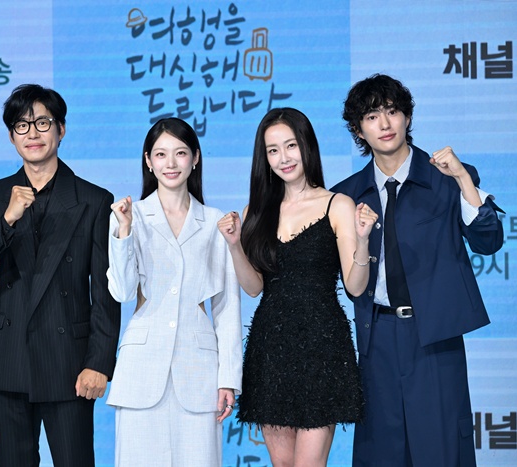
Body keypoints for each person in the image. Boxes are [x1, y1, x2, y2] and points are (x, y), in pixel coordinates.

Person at [331, 73, 504, 466]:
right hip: (376, 338)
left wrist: (463, 179)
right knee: (381, 452)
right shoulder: (346, 195)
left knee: (441, 450)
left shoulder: (447, 178)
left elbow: (489, 240)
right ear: (358, 130)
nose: (385, 123)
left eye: (393, 111)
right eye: (372, 116)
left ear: (407, 117)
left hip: (435, 339)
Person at [0, 84, 120, 467]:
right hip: (8, 356)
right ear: (11, 136)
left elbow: (106, 291)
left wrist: (99, 362)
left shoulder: (94, 200)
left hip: (70, 362)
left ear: (61, 129)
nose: (32, 133)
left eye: (43, 123)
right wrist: (7, 220)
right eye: (22, 125)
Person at [217, 107, 377, 466]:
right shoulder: (257, 210)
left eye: (290, 146)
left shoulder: (337, 204)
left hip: (322, 346)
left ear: (307, 146)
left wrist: (363, 240)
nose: (284, 158)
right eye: (273, 150)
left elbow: (355, 286)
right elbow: (254, 287)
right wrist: (234, 245)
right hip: (270, 348)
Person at [106, 118, 243, 466]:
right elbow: (122, 292)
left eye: (180, 153)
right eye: (161, 154)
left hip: (198, 371)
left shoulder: (214, 221)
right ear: (148, 161)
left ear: (195, 158)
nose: (170, 163)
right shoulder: (129, 215)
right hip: (141, 369)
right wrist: (124, 232)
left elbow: (227, 306)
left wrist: (228, 378)